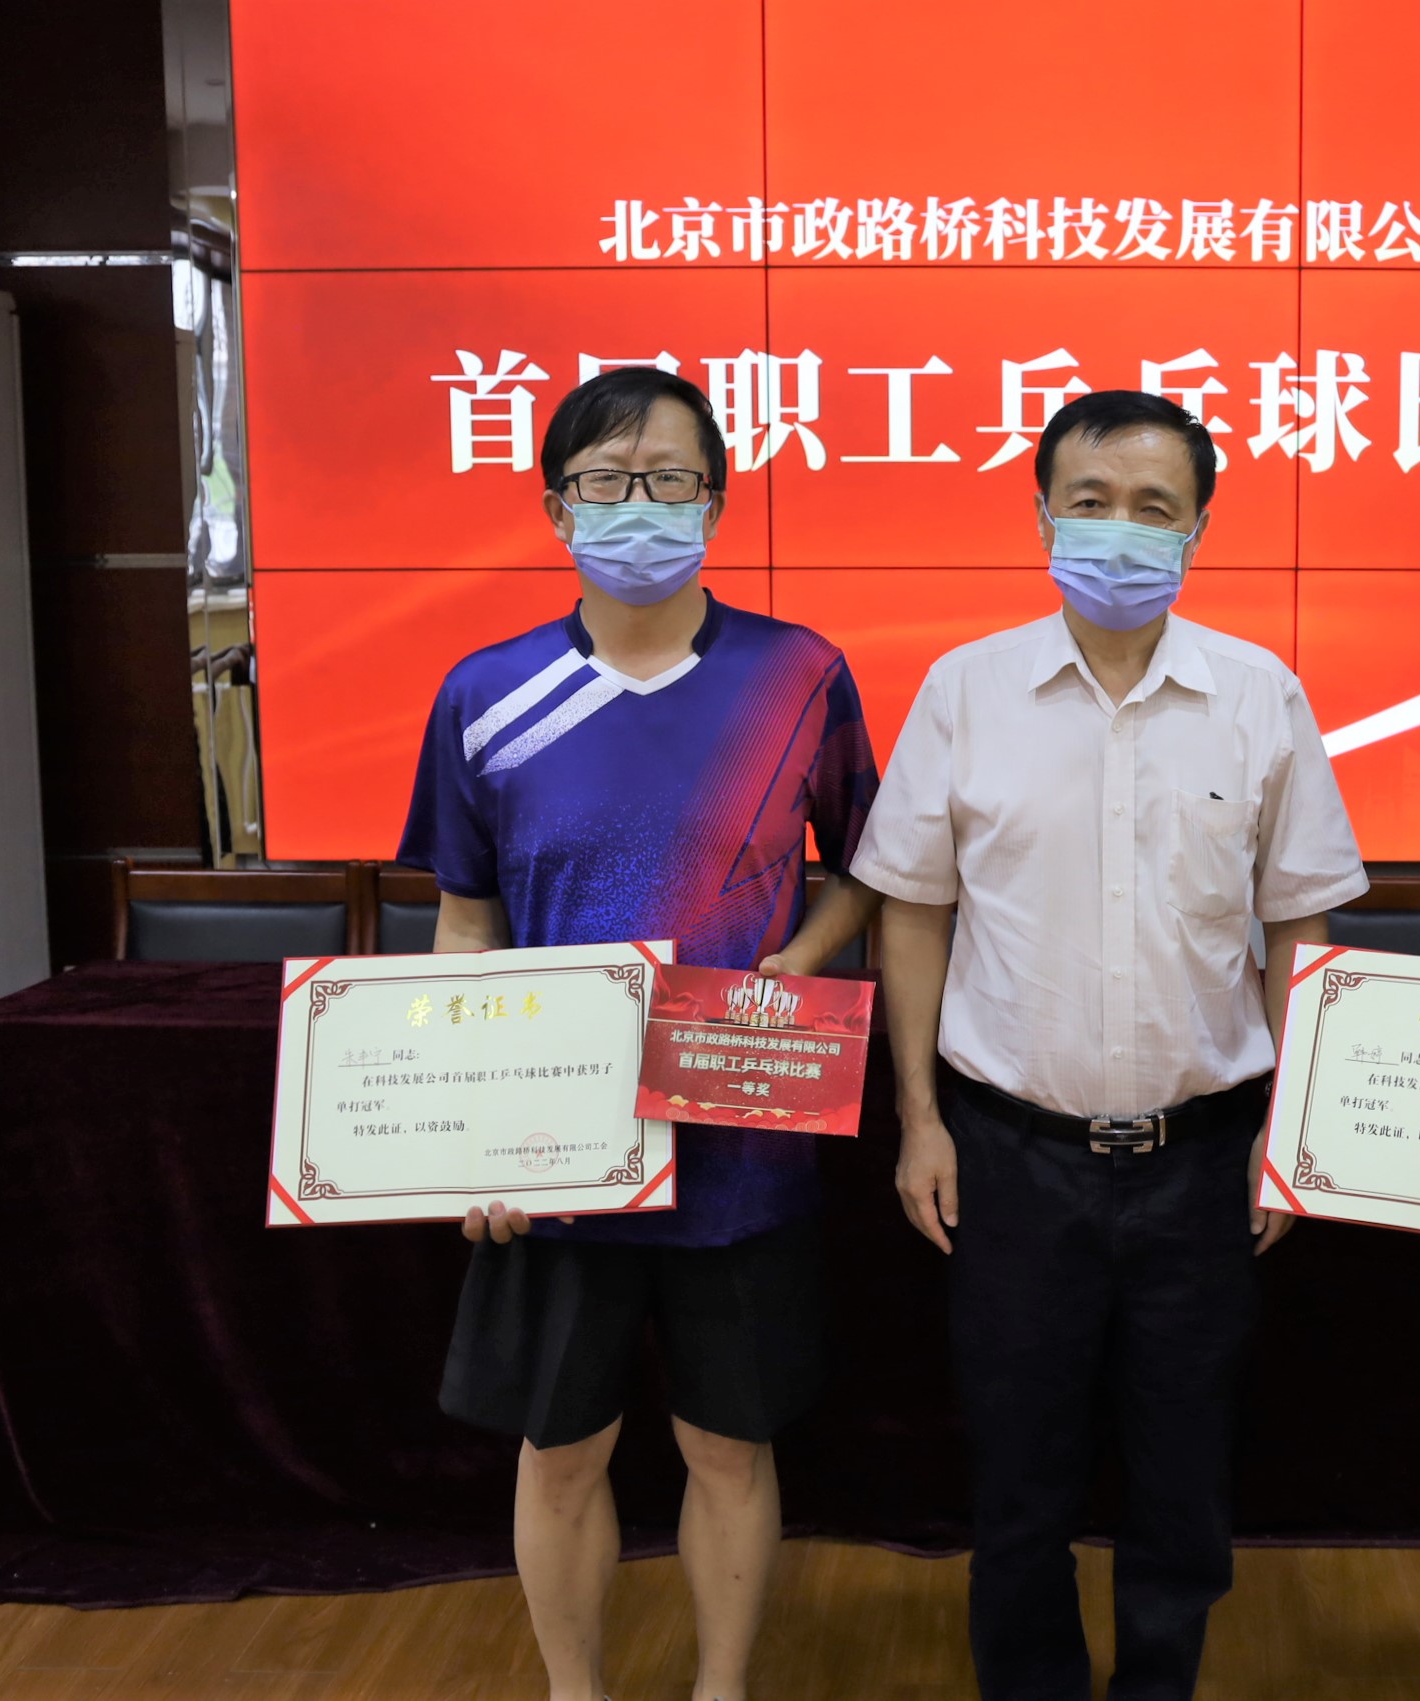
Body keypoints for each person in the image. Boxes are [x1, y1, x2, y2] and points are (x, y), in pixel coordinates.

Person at [851, 390, 1370, 1701]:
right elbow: (912, 912)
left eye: (1153, 507)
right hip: (1008, 1156)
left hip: (1203, 1159)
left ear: (1198, 528)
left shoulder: (1259, 695)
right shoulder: (965, 689)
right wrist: (918, 1120)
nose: (1119, 530)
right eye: (1090, 502)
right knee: (1017, 1475)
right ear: (1042, 517)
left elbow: (1298, 926)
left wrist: (1289, 1135)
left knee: (1183, 1475)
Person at [396, 365, 883, 1701]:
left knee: (730, 1444)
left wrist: (797, 963)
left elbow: (867, 867)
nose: (640, 504)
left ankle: (723, 1686)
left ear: (716, 503)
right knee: (559, 1450)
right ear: (557, 507)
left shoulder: (800, 673)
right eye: (607, 480)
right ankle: (576, 1689)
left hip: (740, 1132)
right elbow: (464, 924)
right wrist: (476, 1137)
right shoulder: (485, 693)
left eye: (670, 479)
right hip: (561, 1149)